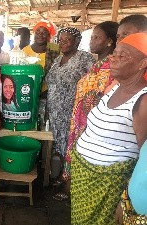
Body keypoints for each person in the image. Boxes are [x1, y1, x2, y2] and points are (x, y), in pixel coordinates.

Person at [71, 32, 147, 225]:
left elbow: (145, 159)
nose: (113, 59)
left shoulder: (143, 100)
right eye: (115, 53)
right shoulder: (116, 86)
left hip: (108, 187)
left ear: (143, 63)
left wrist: (126, 198)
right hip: (85, 179)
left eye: (123, 56)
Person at [53, 21, 119, 201]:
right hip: (79, 119)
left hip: (93, 122)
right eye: (92, 37)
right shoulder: (98, 64)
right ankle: (69, 183)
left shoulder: (112, 66)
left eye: (97, 37)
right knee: (72, 151)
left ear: (110, 41)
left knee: (83, 155)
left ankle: (72, 189)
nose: (92, 41)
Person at [45, 27, 95, 166]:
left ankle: (68, 184)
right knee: (61, 148)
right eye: (60, 40)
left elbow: (95, 83)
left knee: (73, 149)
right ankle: (62, 177)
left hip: (73, 115)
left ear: (77, 41)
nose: (63, 43)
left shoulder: (84, 58)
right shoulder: (58, 59)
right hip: (56, 116)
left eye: (67, 40)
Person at [22, 21, 60, 94]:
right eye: (38, 31)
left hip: (48, 92)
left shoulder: (56, 51)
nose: (40, 35)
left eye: (44, 32)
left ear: (49, 35)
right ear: (34, 34)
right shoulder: (25, 51)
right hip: (28, 90)